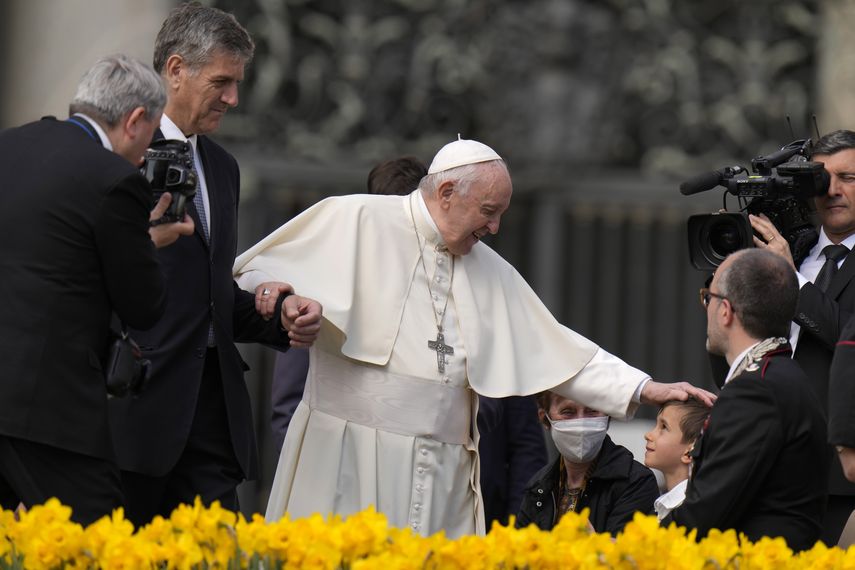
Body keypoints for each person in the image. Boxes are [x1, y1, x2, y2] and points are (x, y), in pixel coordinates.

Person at [233, 137, 713, 537]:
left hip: (441, 472)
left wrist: (647, 389)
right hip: (347, 455)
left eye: (500, 213)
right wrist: (280, 298)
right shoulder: (353, 218)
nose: (495, 227)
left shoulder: (490, 270)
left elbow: (555, 347)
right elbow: (258, 271)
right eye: (487, 211)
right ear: (445, 192)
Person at [108, 2, 322, 527]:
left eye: (237, 82)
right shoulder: (122, 152)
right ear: (176, 70)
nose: (233, 98)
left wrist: (279, 313)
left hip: (212, 420)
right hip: (133, 413)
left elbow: (208, 294)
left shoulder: (222, 167)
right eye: (222, 81)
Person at [0, 54, 194, 525]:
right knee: (98, 539)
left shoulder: (9, 146)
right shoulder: (114, 181)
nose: (148, 152)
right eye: (151, 135)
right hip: (48, 410)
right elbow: (143, 304)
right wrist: (148, 241)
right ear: (134, 121)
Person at [665, 249, 828, 551]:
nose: (706, 307)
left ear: (725, 311)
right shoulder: (781, 375)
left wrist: (629, 545)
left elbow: (708, 513)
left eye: (708, 297)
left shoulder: (757, 391)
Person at [747, 130, 855, 543]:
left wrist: (789, 280)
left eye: (848, 177)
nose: (832, 189)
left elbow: (847, 333)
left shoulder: (788, 266)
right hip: (767, 467)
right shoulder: (795, 249)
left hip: (838, 480)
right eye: (821, 177)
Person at [515, 394, 659, 534]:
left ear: (607, 415)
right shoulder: (538, 486)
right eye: (567, 412)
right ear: (545, 419)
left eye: (592, 411)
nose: (581, 422)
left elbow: (627, 555)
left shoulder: (635, 482)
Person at [643, 399, 709, 521]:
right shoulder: (665, 504)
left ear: (690, 451)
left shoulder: (689, 512)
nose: (648, 435)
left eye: (663, 427)